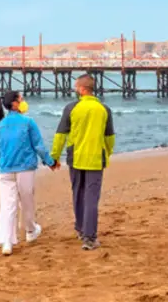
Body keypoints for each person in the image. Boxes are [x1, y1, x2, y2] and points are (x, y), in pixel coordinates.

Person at [50, 74, 115, 251]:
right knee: (92, 198)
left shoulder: (71, 108)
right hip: (95, 158)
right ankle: (90, 237)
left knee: (77, 194)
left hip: (76, 158)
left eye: (76, 87)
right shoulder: (104, 109)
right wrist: (106, 153)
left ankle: (81, 228)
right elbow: (109, 138)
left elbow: (60, 135)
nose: (75, 90)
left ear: (83, 89)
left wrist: (54, 157)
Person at [0, 90, 59, 256]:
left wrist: (1, 168)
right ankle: (30, 231)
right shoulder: (28, 122)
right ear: (15, 103)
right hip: (25, 168)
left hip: (5, 170)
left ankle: (7, 242)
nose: (24, 101)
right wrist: (50, 162)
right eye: (21, 99)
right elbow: (38, 146)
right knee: (27, 200)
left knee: (7, 206)